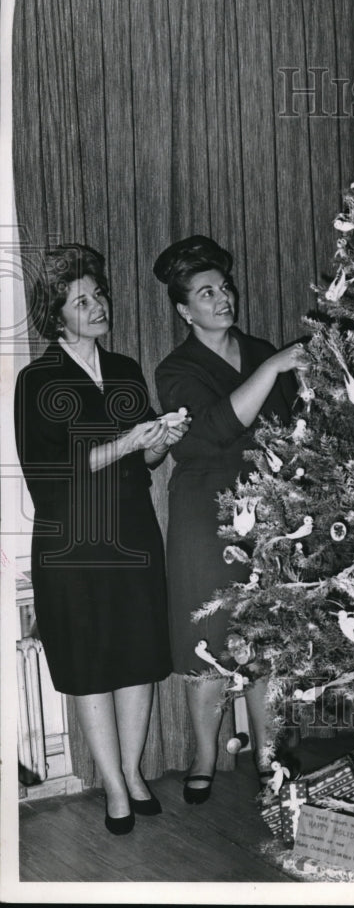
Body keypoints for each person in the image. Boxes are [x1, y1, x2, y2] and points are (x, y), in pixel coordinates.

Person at [14, 244, 189, 835]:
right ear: (56, 315)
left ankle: (135, 773)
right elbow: (50, 476)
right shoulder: (36, 381)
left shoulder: (124, 369)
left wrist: (163, 436)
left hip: (133, 530)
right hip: (73, 542)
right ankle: (113, 786)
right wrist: (125, 441)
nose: (98, 306)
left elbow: (148, 462)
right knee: (91, 663)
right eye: (81, 300)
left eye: (100, 295)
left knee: (137, 655)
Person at [153, 235, 308, 803]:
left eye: (225, 288)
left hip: (267, 511)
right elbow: (214, 429)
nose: (223, 299)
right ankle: (203, 754)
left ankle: (269, 757)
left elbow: (293, 428)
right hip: (204, 516)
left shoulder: (263, 348)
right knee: (207, 638)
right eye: (206, 292)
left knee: (265, 634)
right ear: (183, 310)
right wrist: (270, 368)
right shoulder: (175, 370)